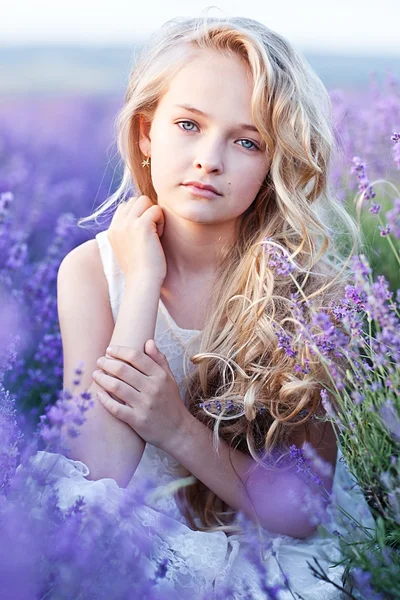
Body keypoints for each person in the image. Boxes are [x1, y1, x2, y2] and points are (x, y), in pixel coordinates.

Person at [28, 12, 374, 599]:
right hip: (134, 539)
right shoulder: (91, 272)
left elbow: (303, 509)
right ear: (146, 132)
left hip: (263, 555)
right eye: (188, 124)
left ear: (273, 164)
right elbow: (97, 479)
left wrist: (178, 430)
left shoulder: (303, 293)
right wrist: (142, 286)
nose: (209, 159)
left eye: (246, 141)